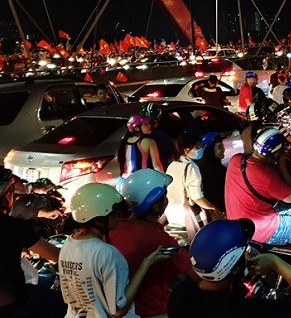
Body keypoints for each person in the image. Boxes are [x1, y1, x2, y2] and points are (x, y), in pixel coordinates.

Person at [0, 163, 65, 317]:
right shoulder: (14, 225)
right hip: (12, 302)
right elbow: (56, 256)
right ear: (8, 194)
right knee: (63, 304)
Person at [167, 219, 291, 317]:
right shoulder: (244, 311)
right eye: (244, 253)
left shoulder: (180, 295)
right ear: (234, 269)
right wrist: (275, 262)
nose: (248, 255)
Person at [59, 183, 169, 318]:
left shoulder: (69, 244)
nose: (119, 217)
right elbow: (118, 310)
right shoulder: (106, 253)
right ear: (101, 218)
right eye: (115, 213)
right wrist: (146, 264)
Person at [225, 128, 291, 275]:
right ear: (276, 154)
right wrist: (283, 165)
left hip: (237, 222)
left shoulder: (236, 160)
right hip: (264, 229)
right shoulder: (267, 177)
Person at [111, 169, 200, 318]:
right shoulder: (160, 240)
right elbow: (196, 276)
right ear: (156, 206)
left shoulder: (113, 229)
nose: (167, 199)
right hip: (155, 312)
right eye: (165, 195)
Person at [165, 131, 224, 245]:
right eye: (196, 147)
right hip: (186, 217)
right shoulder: (191, 167)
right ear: (186, 149)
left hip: (171, 214)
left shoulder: (172, 164)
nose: (200, 149)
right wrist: (213, 208)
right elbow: (197, 197)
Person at [118, 114, 164, 179]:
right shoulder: (149, 141)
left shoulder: (124, 142)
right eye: (146, 124)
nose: (149, 126)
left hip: (124, 180)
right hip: (141, 181)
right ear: (137, 128)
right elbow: (157, 165)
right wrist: (162, 179)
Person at [195, 132, 227, 212]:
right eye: (219, 147)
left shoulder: (203, 167)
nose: (223, 150)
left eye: (222, 146)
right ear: (210, 149)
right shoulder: (212, 170)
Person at [140, 103, 177, 168]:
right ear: (157, 120)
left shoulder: (133, 137)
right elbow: (172, 154)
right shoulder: (162, 137)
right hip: (157, 174)